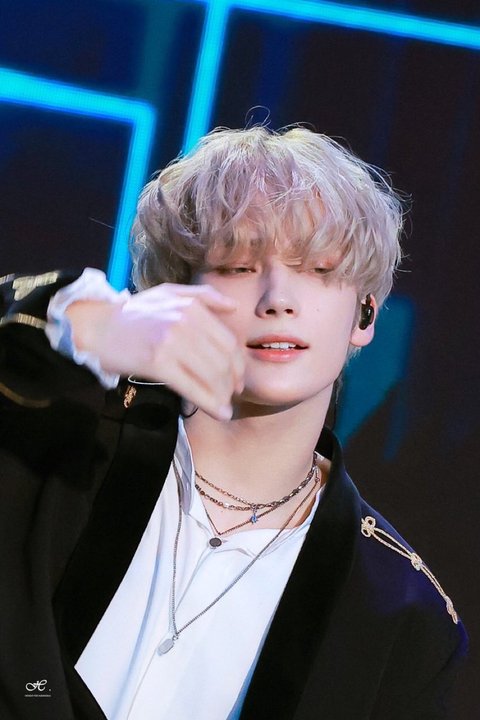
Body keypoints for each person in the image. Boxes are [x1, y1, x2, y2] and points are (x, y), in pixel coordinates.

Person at [0, 126, 467, 720]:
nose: (277, 298)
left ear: (365, 314)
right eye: (240, 265)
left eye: (317, 268)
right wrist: (90, 326)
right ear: (176, 290)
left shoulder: (401, 616)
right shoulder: (51, 445)